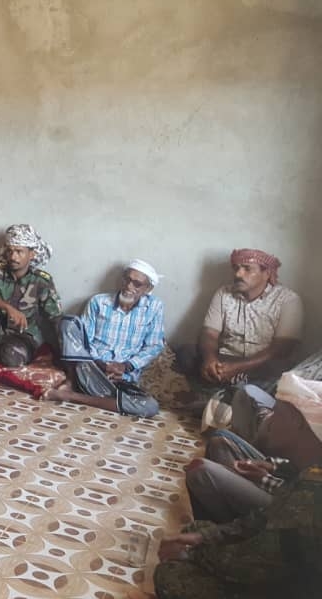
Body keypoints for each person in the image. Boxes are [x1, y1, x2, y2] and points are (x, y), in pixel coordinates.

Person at [129, 371, 322, 599]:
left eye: (276, 413)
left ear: (297, 423)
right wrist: (202, 538)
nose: (268, 418)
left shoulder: (312, 494)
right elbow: (260, 520)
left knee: (172, 575)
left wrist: (192, 553)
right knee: (195, 531)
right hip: (282, 570)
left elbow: (249, 565)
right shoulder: (309, 471)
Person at [183, 348, 322, 523]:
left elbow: (300, 509)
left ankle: (228, 529)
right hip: (286, 485)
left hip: (284, 514)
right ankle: (228, 514)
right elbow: (296, 472)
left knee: (201, 471)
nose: (273, 417)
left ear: (298, 422)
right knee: (220, 440)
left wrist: (264, 479)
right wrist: (271, 466)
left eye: (277, 414)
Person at [175, 249, 303, 417]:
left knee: (286, 373)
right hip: (226, 361)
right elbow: (209, 333)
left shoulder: (287, 299)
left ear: (266, 274)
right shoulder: (224, 293)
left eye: (247, 269)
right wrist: (210, 359)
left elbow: (282, 348)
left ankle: (220, 399)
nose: (238, 274)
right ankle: (231, 400)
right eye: (236, 268)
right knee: (186, 353)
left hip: (261, 364)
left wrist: (239, 368)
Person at [43, 260, 165, 417]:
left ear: (148, 289)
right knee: (68, 322)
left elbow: (154, 345)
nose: (129, 286)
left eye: (137, 284)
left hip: (122, 381)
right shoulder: (99, 302)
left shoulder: (154, 308)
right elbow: (85, 340)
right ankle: (71, 383)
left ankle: (72, 396)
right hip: (91, 370)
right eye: (127, 279)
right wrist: (101, 364)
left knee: (150, 407)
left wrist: (126, 366)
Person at [0, 224, 62, 368]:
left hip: (23, 337)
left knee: (11, 357)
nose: (13, 257)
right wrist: (8, 308)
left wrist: (62, 355)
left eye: (19, 252)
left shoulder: (41, 281)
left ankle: (4, 357)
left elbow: (56, 318)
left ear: (31, 254)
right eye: (10, 251)